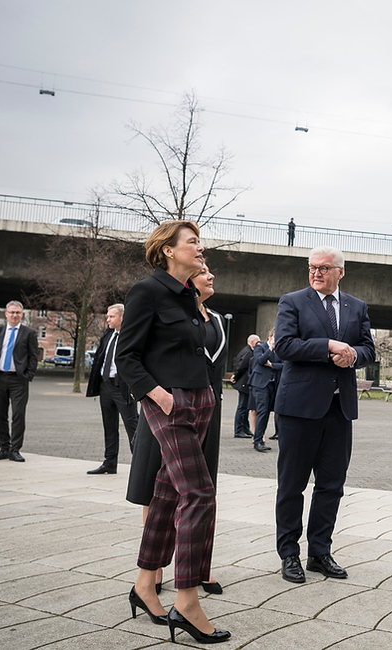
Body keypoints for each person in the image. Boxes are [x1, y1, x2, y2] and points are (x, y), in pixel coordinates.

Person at [116, 222, 230, 643]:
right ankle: (186, 600)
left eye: (200, 242)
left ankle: (145, 585)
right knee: (199, 494)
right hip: (170, 405)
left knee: (167, 495)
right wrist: (159, 396)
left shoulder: (190, 297)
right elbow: (126, 357)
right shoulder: (146, 292)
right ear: (167, 250)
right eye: (193, 242)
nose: (201, 249)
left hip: (201, 402)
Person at [273, 246, 375, 584]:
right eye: (312, 267)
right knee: (292, 485)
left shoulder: (356, 307)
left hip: (339, 408)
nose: (316, 272)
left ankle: (319, 552)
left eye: (324, 268)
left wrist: (353, 357)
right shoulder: (292, 301)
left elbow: (368, 350)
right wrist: (329, 346)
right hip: (299, 409)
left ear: (340, 272)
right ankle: (289, 553)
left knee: (331, 484)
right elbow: (284, 346)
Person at [0, 300, 39, 462]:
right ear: (6, 314)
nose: (14, 315)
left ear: (22, 315)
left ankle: (15, 450)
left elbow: (34, 356)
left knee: (18, 415)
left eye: (18, 313)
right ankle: (3, 448)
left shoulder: (29, 333)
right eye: (12, 312)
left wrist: (28, 375)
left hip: (19, 380)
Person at [85, 304, 139, 475]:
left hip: (123, 388)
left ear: (122, 317)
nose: (107, 319)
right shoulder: (108, 334)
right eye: (107, 316)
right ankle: (110, 462)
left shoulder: (132, 336)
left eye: (111, 317)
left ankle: (139, 466)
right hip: (105, 386)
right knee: (109, 426)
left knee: (133, 426)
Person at [249, 329, 281, 453]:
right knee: (262, 410)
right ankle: (257, 440)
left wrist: (272, 365)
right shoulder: (260, 347)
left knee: (266, 412)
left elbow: (284, 365)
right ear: (269, 337)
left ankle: (260, 439)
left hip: (272, 385)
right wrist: (270, 349)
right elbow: (260, 361)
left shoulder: (280, 351)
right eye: (275, 337)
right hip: (260, 384)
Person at [230, 334, 260, 439]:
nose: (259, 344)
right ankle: (239, 430)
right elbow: (241, 366)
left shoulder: (246, 350)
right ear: (252, 342)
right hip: (244, 383)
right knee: (242, 407)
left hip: (244, 383)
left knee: (246, 406)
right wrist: (235, 376)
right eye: (257, 342)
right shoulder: (248, 352)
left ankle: (245, 428)